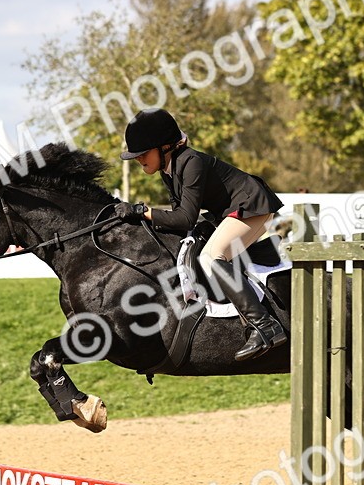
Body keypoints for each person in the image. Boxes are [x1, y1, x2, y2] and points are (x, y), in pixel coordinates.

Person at [119, 108, 286, 361]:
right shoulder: (169, 170)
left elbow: (186, 217)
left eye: (143, 153)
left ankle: (264, 325)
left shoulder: (190, 161)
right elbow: (179, 219)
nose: (139, 159)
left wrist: (143, 211)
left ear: (165, 147)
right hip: (231, 211)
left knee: (211, 256)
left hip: (251, 206)